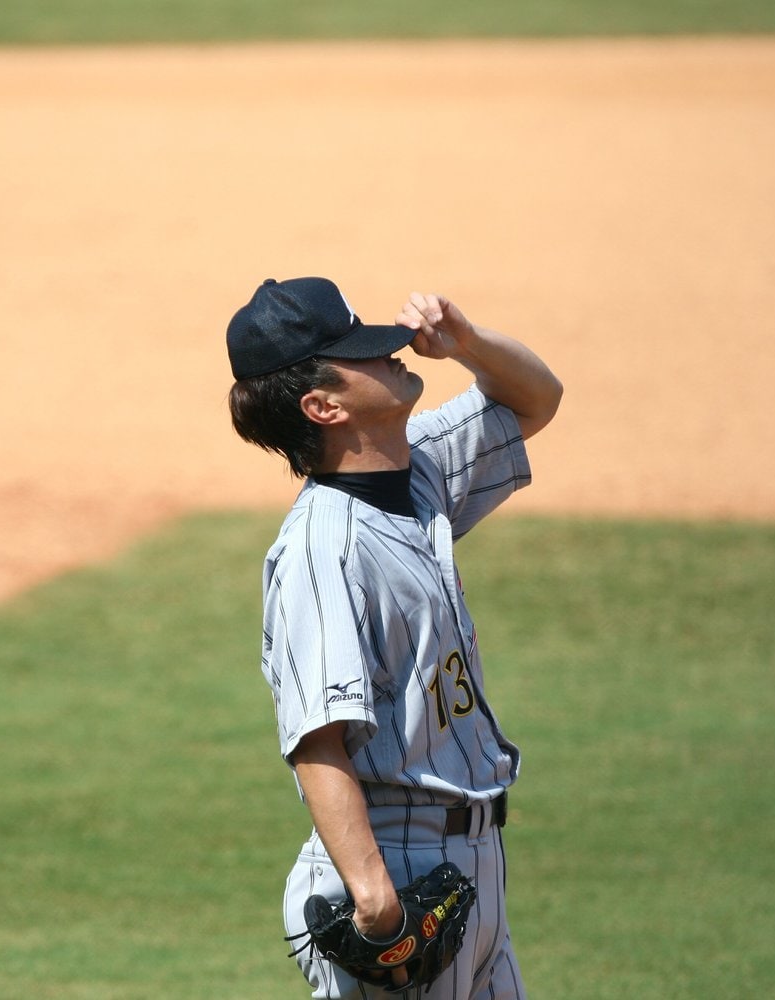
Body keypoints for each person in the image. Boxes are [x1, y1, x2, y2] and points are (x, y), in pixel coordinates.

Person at [226, 276, 562, 999]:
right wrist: (376, 902)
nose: (393, 353)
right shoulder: (323, 549)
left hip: (469, 862)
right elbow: (316, 735)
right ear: (324, 406)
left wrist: (469, 345)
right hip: (397, 867)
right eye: (364, 355)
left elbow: (537, 400)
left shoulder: (416, 472)